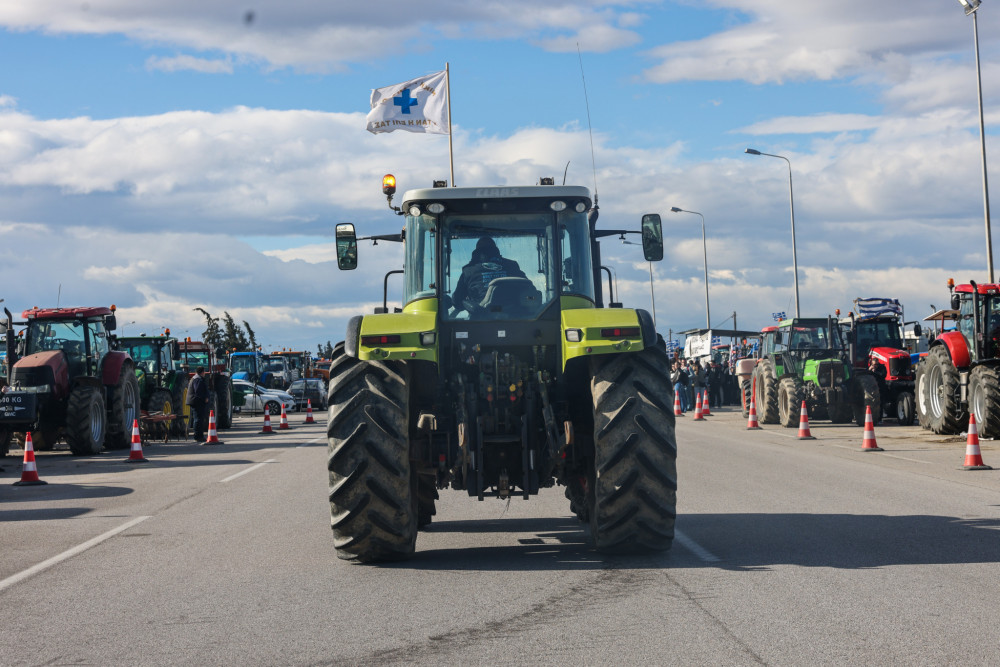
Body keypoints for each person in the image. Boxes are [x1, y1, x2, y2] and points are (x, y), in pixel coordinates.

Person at [451, 236, 528, 313]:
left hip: (481, 321)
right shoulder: (512, 266)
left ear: (477, 252)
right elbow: (529, 289)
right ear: (495, 250)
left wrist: (469, 303)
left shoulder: (469, 270)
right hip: (514, 318)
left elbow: (457, 301)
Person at [187, 366, 211, 442]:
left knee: (199, 419)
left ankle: (199, 435)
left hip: (196, 401)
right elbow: (198, 391)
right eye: (204, 372)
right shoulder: (198, 380)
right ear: (202, 372)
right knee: (198, 419)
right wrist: (205, 398)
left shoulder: (196, 378)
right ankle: (198, 436)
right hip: (197, 402)